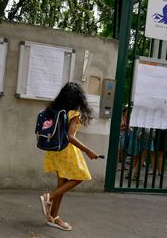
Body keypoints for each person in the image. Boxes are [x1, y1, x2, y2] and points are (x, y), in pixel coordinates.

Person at [39, 82, 100, 231]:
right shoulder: (74, 113)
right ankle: (49, 197)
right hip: (67, 150)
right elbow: (70, 136)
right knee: (80, 177)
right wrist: (88, 151)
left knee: (62, 185)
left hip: (55, 150)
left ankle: (54, 217)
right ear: (79, 97)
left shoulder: (55, 110)